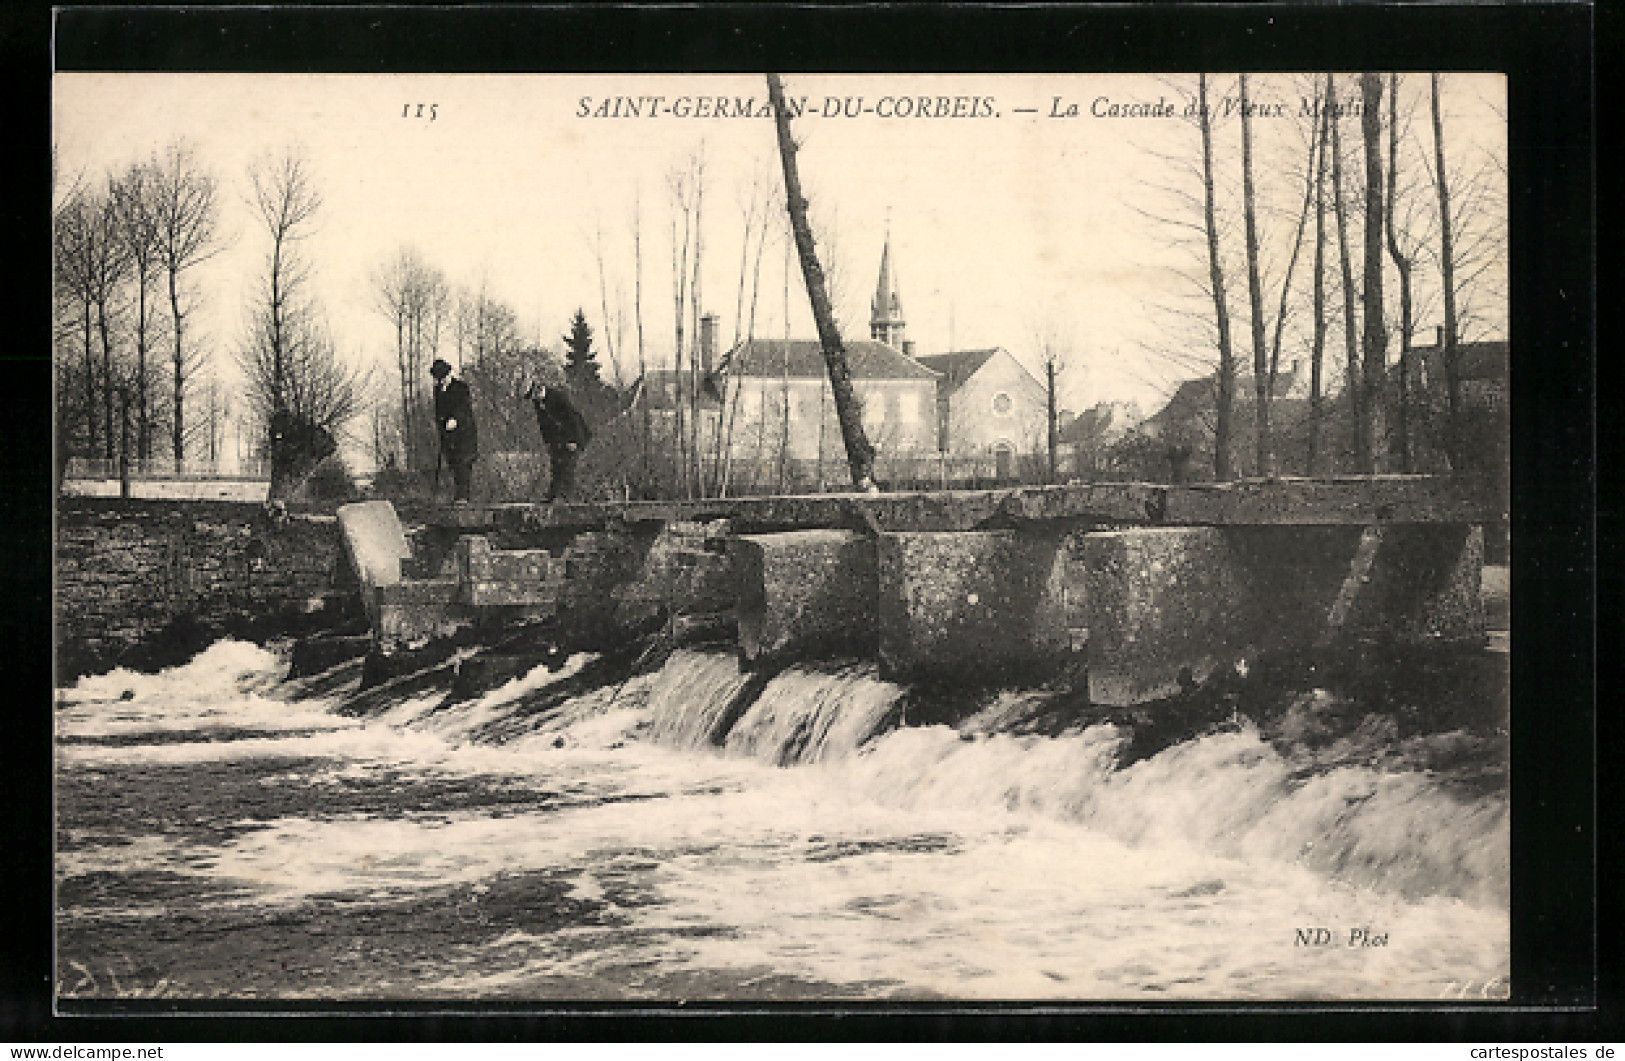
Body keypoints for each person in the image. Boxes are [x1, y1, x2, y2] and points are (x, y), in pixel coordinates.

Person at [522, 377, 591, 502]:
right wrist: (548, 443)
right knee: (556, 464)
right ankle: (552, 495)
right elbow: (544, 425)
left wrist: (573, 440)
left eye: (532, 395)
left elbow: (572, 419)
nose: (532, 399)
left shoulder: (558, 397)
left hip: (574, 435)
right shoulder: (538, 403)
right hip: (558, 438)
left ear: (537, 389)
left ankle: (566, 497)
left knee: (568, 465)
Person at [430, 358, 478, 503]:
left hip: (464, 434)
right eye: (439, 379)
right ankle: (458, 496)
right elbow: (438, 412)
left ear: (448, 375)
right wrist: (441, 427)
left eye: (443, 378)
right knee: (453, 463)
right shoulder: (438, 390)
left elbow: (464, 408)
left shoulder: (461, 387)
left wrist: (455, 419)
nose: (441, 381)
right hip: (448, 435)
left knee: (463, 463)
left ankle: (463, 496)